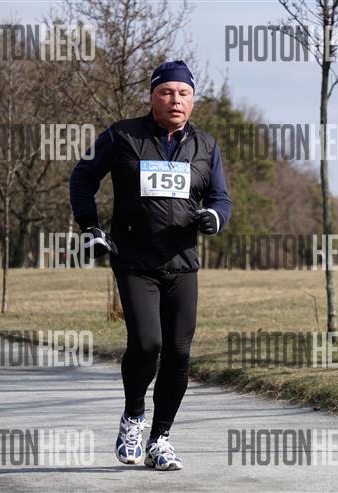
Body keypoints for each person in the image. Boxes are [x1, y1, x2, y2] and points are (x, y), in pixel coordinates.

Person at [69, 60, 232, 471]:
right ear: (152, 96)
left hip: (182, 262)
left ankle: (160, 439)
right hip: (134, 260)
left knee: (178, 353)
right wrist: (90, 226)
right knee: (147, 343)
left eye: (184, 93)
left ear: (193, 100)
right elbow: (82, 177)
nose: (175, 100)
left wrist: (215, 217)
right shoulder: (122, 135)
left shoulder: (206, 145)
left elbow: (220, 198)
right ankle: (133, 418)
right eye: (167, 92)